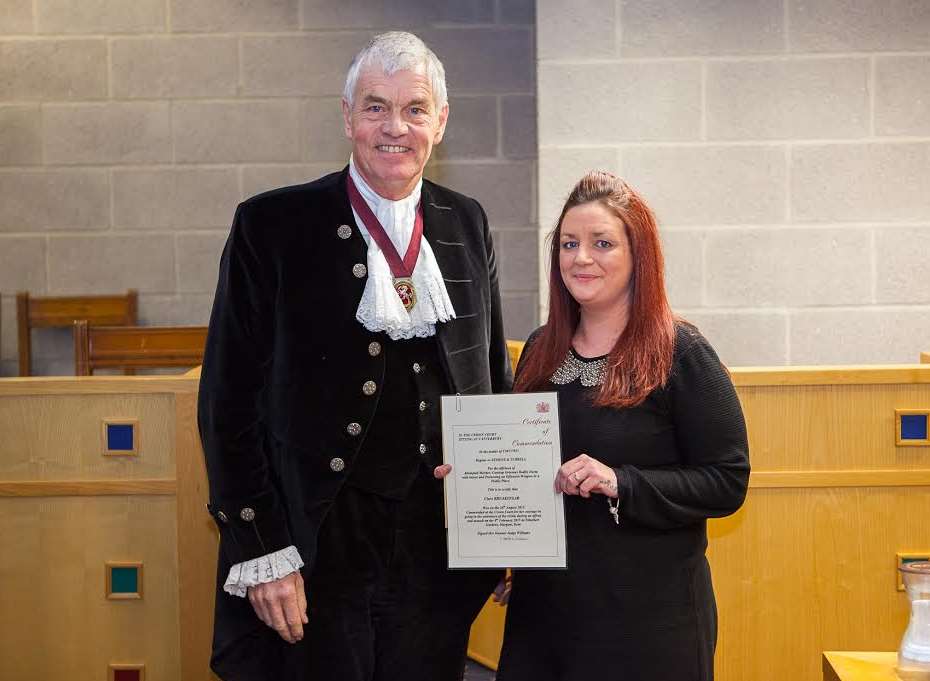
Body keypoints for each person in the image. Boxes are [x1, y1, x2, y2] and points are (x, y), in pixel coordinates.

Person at [197, 31, 512, 681]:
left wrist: (506, 520)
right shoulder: (274, 226)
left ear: (442, 121)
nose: (395, 127)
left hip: (437, 544)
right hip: (316, 544)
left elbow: (492, 382)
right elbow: (227, 402)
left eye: (415, 109)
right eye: (375, 106)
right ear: (346, 117)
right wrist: (265, 547)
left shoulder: (466, 221)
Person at [495, 171, 749, 681]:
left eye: (602, 243)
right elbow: (522, 468)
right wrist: (486, 501)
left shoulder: (681, 352)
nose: (581, 258)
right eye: (569, 243)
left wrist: (620, 481)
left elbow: (727, 480)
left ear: (639, 256)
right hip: (545, 616)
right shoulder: (540, 350)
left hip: (648, 621)